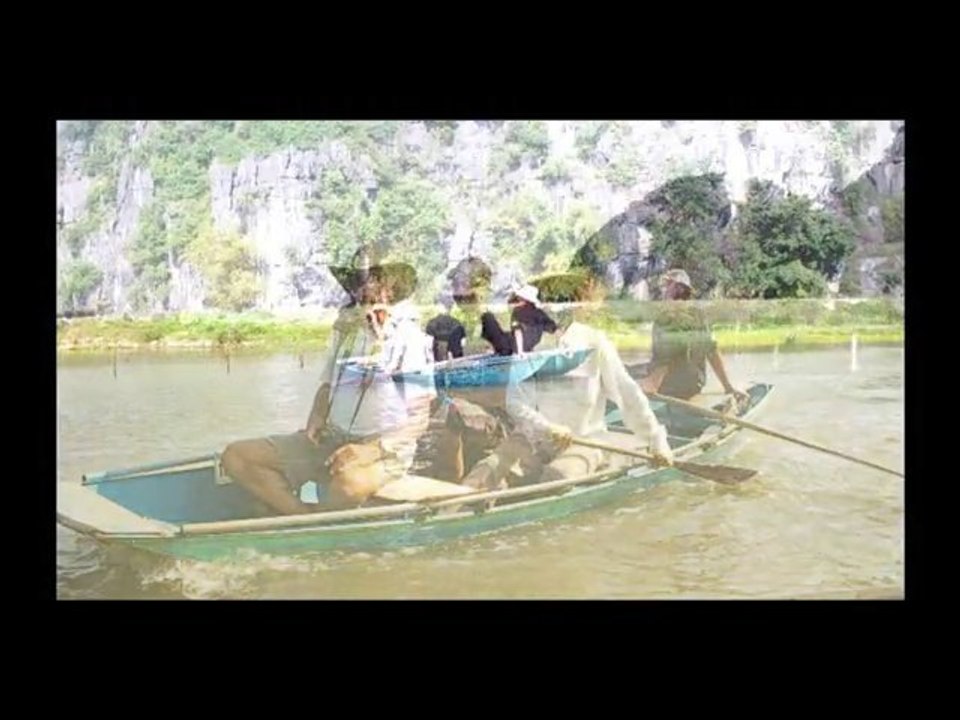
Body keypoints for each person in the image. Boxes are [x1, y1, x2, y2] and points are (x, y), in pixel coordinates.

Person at [218, 246, 434, 515]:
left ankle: (316, 521)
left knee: (349, 482)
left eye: (373, 281)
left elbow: (419, 419)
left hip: (383, 451)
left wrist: (370, 451)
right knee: (237, 457)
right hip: (332, 440)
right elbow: (327, 386)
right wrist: (316, 417)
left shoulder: (408, 338)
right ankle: (301, 517)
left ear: (390, 290)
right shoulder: (345, 332)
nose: (364, 290)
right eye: (359, 283)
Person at [640, 269, 748, 405]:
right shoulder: (699, 316)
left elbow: (666, 359)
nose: (665, 291)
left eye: (668, 286)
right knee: (637, 369)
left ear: (677, 290)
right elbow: (712, 352)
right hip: (695, 383)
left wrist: (651, 385)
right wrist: (728, 387)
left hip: (670, 387)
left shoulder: (666, 319)